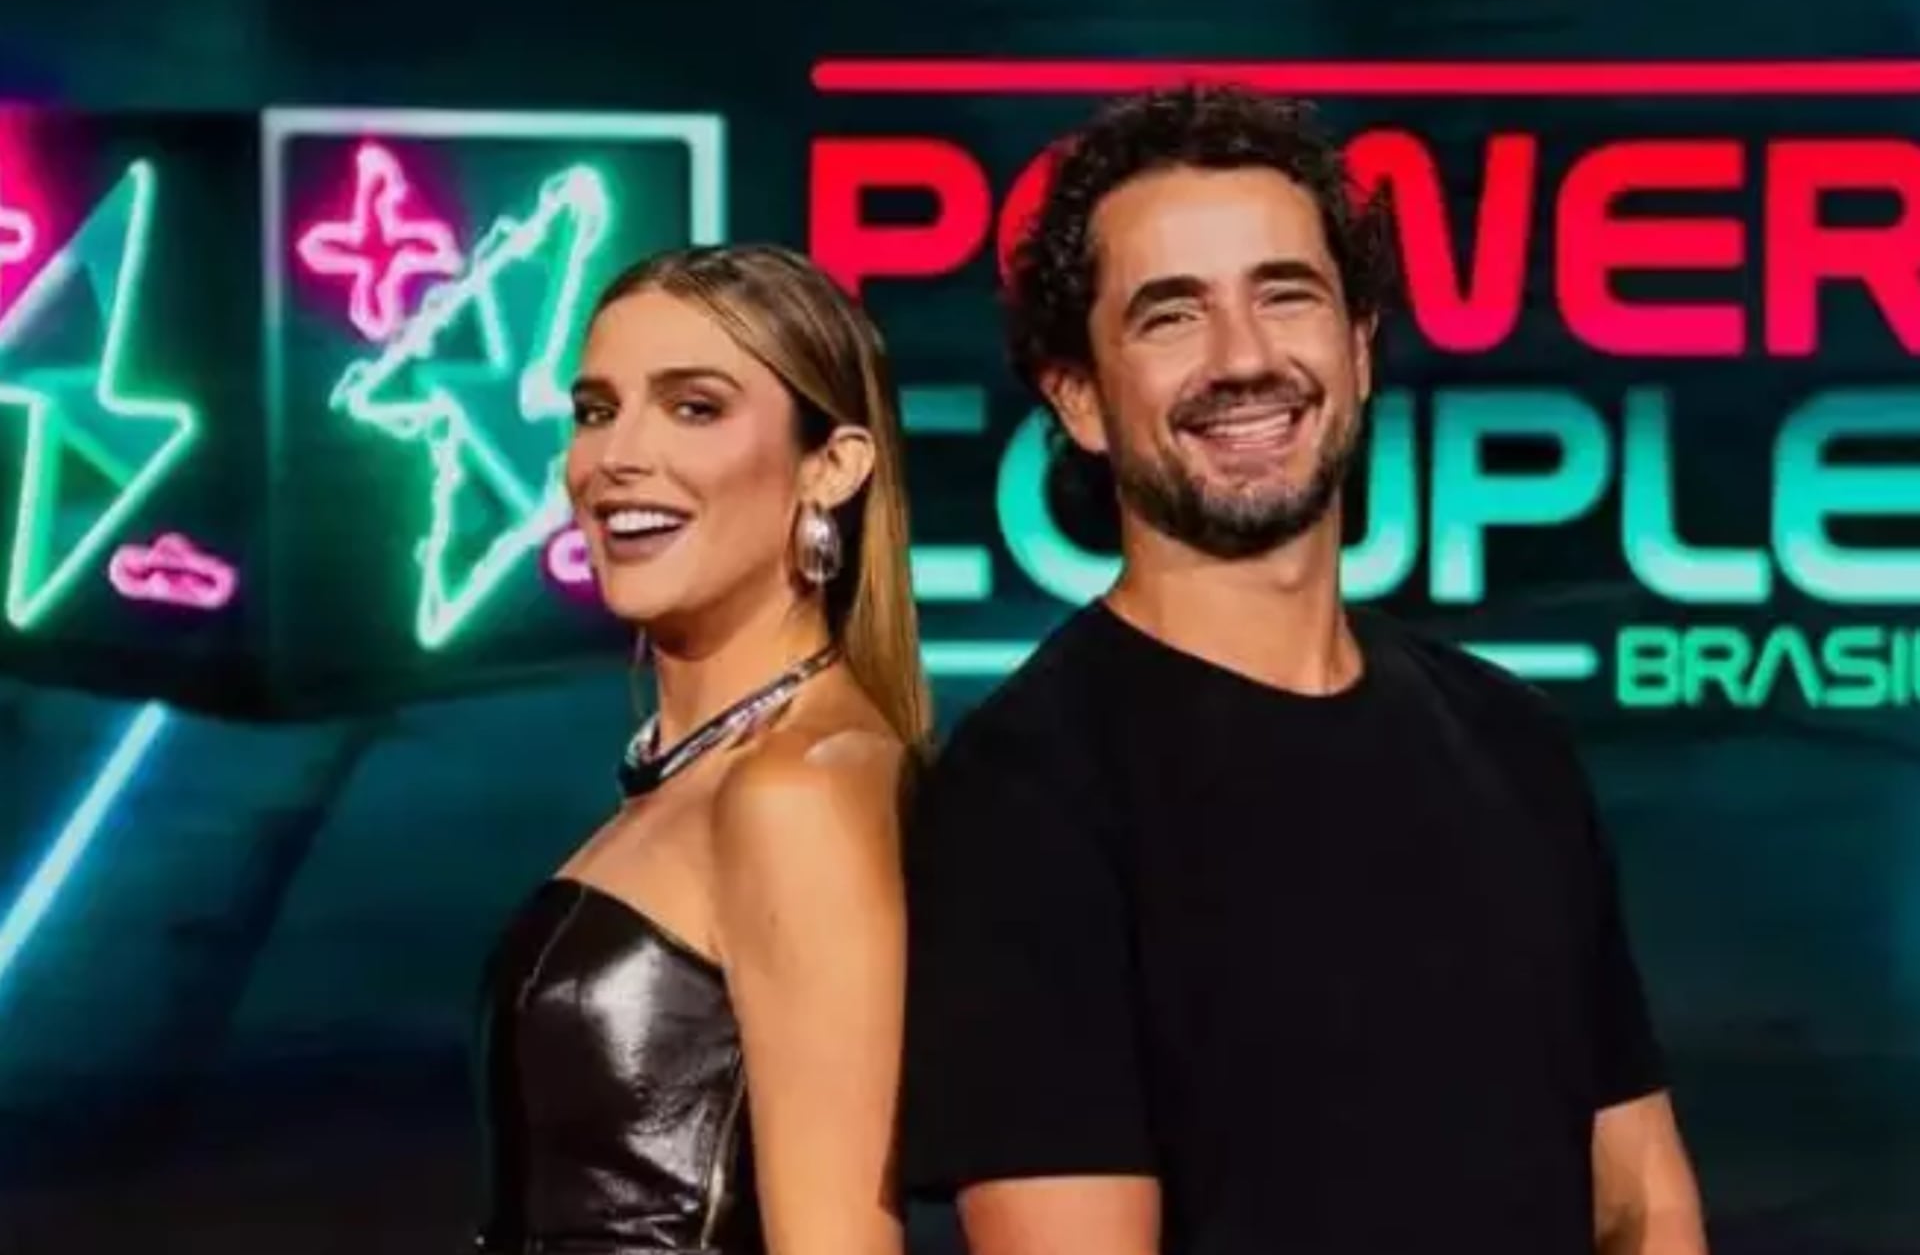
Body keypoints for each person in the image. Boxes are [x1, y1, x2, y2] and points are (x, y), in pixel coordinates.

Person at [897, 86, 1709, 1255]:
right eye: (1172, 315)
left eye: (1286, 294)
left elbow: (1641, 1203)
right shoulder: (1028, 791)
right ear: (1078, 397)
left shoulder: (1509, 736)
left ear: (1359, 346)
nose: (1244, 358)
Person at [476, 243, 926, 1255]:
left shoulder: (798, 790)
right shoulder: (703, 773)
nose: (616, 457)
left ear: (832, 466)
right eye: (597, 410)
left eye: (693, 407)